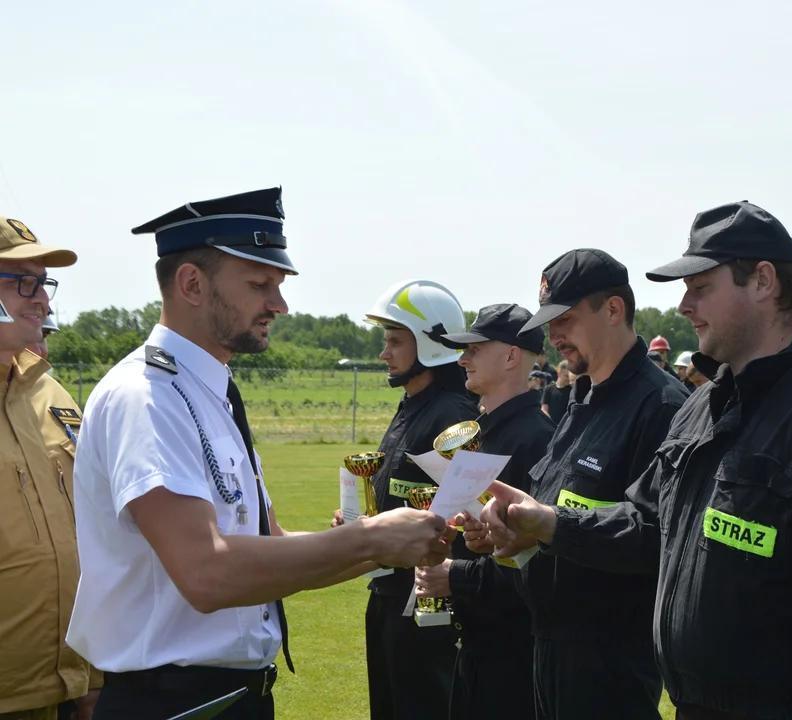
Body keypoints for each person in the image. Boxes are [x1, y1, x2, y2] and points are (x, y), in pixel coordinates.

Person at [474, 203, 792, 719]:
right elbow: (649, 519)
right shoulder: (705, 402)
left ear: (763, 281)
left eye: (700, 287)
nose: (684, 306)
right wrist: (550, 523)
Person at [66, 189, 453, 720]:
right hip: (172, 700)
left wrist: (384, 544)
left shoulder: (208, 391)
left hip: (226, 697)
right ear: (192, 284)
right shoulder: (148, 397)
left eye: (278, 285)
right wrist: (370, 538)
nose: (280, 304)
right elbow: (205, 572)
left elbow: (266, 546)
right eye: (259, 284)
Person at [472, 249, 689, 720]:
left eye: (565, 319)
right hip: (548, 643)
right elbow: (554, 508)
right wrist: (511, 531)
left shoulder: (663, 406)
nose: (553, 336)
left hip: (610, 661)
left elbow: (659, 537)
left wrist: (549, 525)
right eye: (549, 322)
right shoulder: (582, 399)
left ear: (613, 310)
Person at [342, 278, 479, 720]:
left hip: (424, 603)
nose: (385, 352)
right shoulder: (411, 404)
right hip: (386, 590)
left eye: (395, 341)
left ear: (430, 344)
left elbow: (465, 516)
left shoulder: (453, 415)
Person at [414, 303, 556, 719]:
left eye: (475, 348)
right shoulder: (481, 435)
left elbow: (539, 562)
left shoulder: (535, 439)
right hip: (476, 641)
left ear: (512, 356)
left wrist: (455, 576)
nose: (463, 359)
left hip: (514, 653)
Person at [0, 216, 101, 720]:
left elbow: (88, 528)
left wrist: (90, 674)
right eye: (24, 282)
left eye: (44, 284)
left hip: (63, 686)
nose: (42, 299)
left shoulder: (51, 394)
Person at [540, 360, 573, 425]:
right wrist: (550, 423)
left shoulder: (572, 390)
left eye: (569, 376)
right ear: (559, 373)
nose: (568, 379)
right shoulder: (548, 389)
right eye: (566, 376)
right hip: (550, 425)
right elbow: (544, 409)